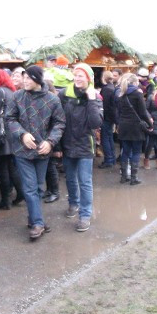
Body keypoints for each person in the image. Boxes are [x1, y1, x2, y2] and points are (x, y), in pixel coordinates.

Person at [5, 65, 66, 240]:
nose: (25, 81)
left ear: (38, 79)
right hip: (22, 151)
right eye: (24, 77)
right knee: (31, 188)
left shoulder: (52, 100)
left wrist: (51, 141)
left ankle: (34, 220)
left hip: (43, 151)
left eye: (29, 78)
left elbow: (59, 123)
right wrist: (22, 134)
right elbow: (10, 118)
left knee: (39, 188)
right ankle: (38, 224)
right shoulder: (17, 96)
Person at [58, 63, 102, 231]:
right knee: (70, 178)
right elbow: (58, 119)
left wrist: (91, 100)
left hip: (85, 144)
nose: (77, 78)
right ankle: (73, 204)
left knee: (84, 181)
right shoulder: (64, 94)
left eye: (81, 76)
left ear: (88, 78)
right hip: (68, 143)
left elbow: (95, 122)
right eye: (75, 75)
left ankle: (85, 215)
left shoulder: (94, 96)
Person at [0, 69, 23, 210]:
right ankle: (21, 193)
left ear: (0, 78)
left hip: (1, 134)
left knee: (3, 168)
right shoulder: (11, 91)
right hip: (11, 132)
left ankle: (5, 200)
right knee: (10, 167)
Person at [115, 72, 154, 186]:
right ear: (134, 82)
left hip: (123, 125)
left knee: (125, 151)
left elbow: (119, 111)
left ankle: (123, 177)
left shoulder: (120, 93)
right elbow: (142, 112)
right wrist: (150, 125)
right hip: (136, 126)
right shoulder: (137, 93)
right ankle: (134, 177)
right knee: (136, 151)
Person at [98, 70, 118, 168]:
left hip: (106, 117)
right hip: (111, 117)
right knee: (109, 138)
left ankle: (108, 160)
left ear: (103, 78)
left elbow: (104, 106)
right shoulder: (112, 87)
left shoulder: (106, 89)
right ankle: (112, 158)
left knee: (105, 139)